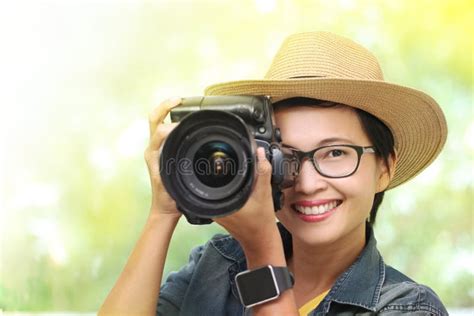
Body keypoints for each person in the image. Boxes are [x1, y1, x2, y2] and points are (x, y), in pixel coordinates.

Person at [99, 32, 448, 315]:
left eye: (336, 153)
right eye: (289, 156)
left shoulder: (407, 307)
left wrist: (262, 247)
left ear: (385, 167)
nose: (308, 184)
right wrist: (164, 210)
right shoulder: (219, 264)